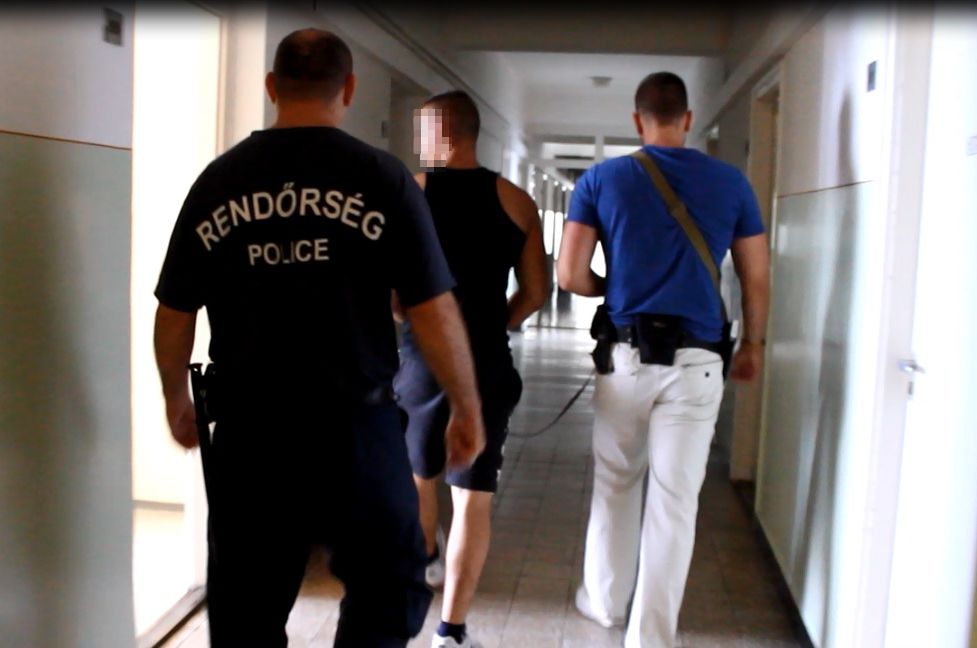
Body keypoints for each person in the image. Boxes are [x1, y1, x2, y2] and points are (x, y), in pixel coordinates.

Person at [153, 29, 486, 648]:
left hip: (252, 435)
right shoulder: (383, 179)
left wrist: (174, 395)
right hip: (355, 431)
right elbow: (432, 309)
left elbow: (175, 310)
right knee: (390, 589)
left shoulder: (219, 181)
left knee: (245, 609)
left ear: (271, 87)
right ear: (349, 89)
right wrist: (466, 406)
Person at [557, 71, 770, 647]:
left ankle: (604, 603)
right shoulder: (732, 183)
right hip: (698, 363)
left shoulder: (602, 179)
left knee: (615, 484)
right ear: (689, 119)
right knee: (675, 502)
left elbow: (569, 274)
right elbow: (755, 276)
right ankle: (651, 635)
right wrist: (753, 343)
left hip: (626, 358)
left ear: (637, 120)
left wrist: (614, 288)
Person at [392, 90, 548, 648]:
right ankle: (451, 632)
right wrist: (489, 324)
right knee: (473, 497)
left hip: (419, 363)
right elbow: (535, 292)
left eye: (422, 132)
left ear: (443, 133)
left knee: (419, 480)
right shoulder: (516, 202)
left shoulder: (409, 195)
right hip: (485, 365)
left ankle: (421, 575)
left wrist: (420, 324)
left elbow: (392, 295)